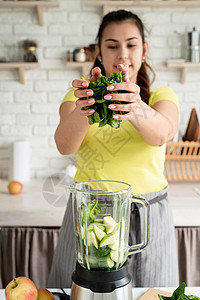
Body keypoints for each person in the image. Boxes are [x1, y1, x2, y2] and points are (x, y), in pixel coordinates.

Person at [48, 9, 179, 288]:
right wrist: (87, 108)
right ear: (99, 51)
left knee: (152, 292)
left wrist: (135, 106)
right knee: (80, 292)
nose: (122, 54)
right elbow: (64, 144)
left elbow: (162, 134)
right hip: (88, 213)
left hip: (147, 215)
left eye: (131, 45)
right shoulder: (78, 97)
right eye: (112, 45)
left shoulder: (159, 97)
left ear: (143, 50)